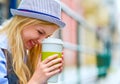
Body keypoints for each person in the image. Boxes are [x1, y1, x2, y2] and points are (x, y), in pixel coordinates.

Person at [0, 0, 66, 84]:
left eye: (47, 37)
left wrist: (46, 75)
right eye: (40, 32)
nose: (41, 42)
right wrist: (36, 80)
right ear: (23, 22)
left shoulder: (24, 50)